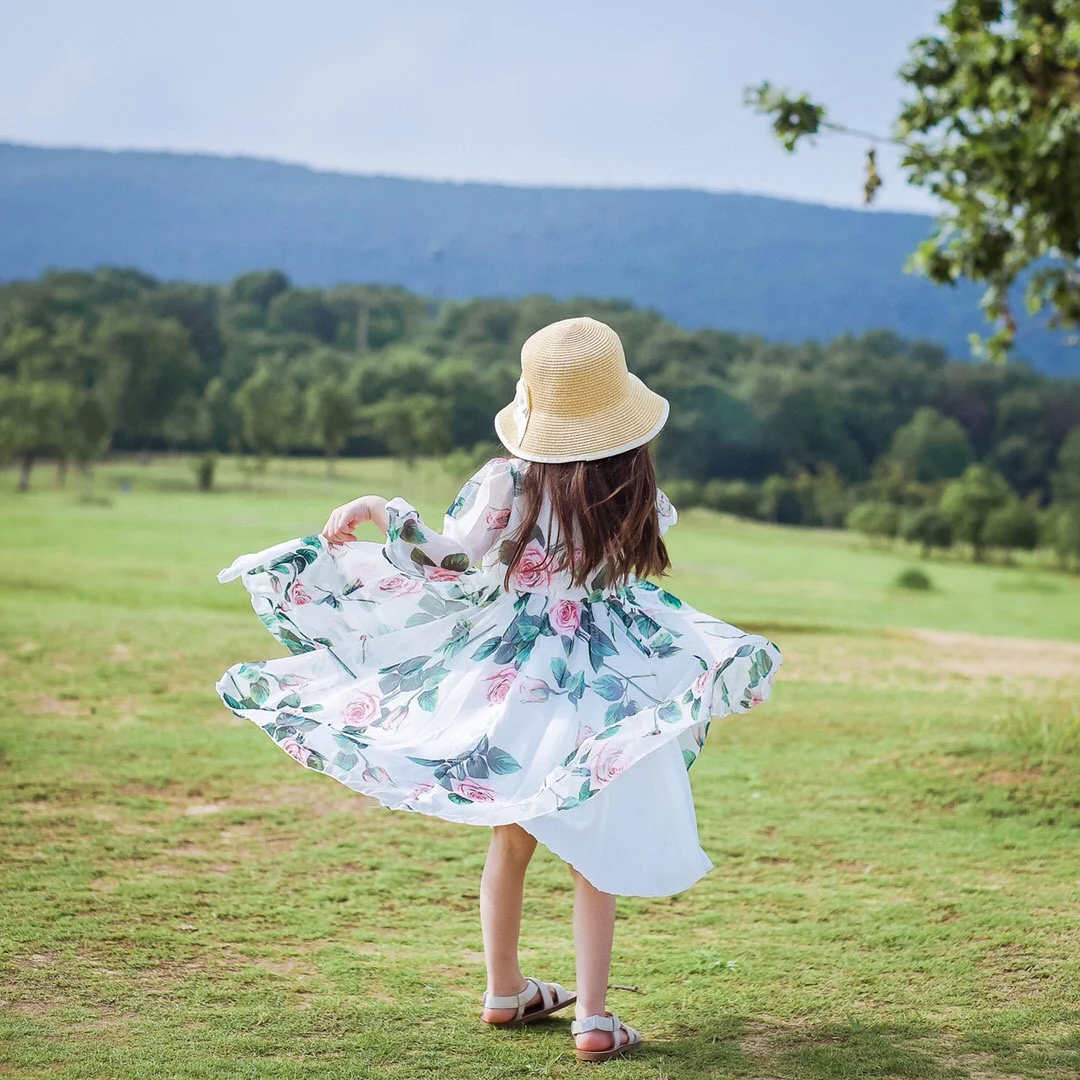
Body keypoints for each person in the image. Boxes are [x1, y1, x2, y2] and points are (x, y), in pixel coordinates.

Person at [216, 316, 782, 1063]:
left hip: (519, 674)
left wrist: (388, 512)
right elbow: (628, 588)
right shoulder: (634, 485)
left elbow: (448, 559)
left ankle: (504, 988)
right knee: (593, 849)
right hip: (603, 680)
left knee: (511, 833)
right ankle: (594, 1017)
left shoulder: (510, 482)